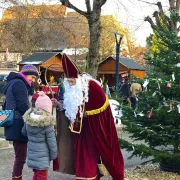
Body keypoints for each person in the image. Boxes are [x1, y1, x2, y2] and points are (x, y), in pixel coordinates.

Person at [52, 54, 124, 180]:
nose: (70, 83)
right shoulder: (71, 88)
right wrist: (59, 105)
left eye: (72, 81)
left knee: (88, 163)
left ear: (78, 78)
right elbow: (71, 108)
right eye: (68, 81)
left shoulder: (92, 87)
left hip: (91, 133)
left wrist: (86, 114)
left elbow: (101, 114)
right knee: (80, 162)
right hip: (77, 133)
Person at [2, 64, 39, 180]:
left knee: (20, 155)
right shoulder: (19, 84)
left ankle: (16, 176)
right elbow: (23, 106)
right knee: (21, 157)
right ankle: (16, 177)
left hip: (13, 122)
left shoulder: (14, 82)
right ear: (26, 74)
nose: (33, 80)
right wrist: (35, 116)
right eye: (32, 77)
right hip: (18, 123)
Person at [22, 91, 57, 180]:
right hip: (43, 157)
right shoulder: (47, 123)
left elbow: (24, 132)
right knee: (42, 175)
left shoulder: (29, 119)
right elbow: (51, 142)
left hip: (32, 154)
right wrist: (54, 155)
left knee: (37, 174)